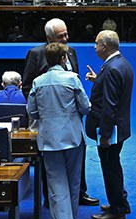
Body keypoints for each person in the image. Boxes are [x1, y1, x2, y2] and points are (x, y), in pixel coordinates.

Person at [22, 18, 98, 207]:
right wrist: (41, 110)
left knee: (77, 158)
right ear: (49, 38)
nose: (66, 38)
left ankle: (79, 193)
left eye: (66, 34)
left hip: (73, 118)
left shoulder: (71, 51)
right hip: (49, 118)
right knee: (51, 161)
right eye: (60, 36)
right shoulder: (36, 54)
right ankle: (51, 198)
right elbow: (26, 86)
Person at [27, 43, 91, 219]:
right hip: (72, 136)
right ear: (64, 59)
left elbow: (32, 111)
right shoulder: (73, 79)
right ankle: (71, 217)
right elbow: (85, 107)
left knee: (55, 179)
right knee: (73, 178)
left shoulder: (38, 82)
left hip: (49, 138)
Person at [85, 30, 134, 219]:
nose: (95, 47)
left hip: (109, 131)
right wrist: (98, 80)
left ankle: (117, 210)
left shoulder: (112, 68)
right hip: (118, 127)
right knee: (114, 165)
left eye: (96, 43)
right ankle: (120, 202)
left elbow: (110, 105)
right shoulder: (121, 63)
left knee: (110, 168)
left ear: (104, 46)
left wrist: (104, 135)